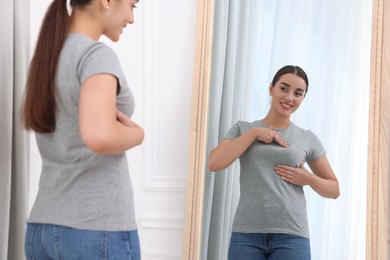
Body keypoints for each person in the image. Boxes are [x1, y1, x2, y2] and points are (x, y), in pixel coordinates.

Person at [21, 0, 143, 259]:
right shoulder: (96, 54)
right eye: (133, 5)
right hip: (95, 230)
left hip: (42, 227)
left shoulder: (47, 57)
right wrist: (137, 135)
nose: (131, 18)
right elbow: (99, 136)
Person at [207, 65, 340, 260]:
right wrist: (254, 134)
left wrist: (308, 178)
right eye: (283, 88)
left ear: (303, 98)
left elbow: (334, 189)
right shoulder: (243, 129)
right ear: (271, 88)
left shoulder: (307, 138)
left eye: (298, 93)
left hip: (292, 236)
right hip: (246, 234)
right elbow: (215, 162)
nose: (289, 98)